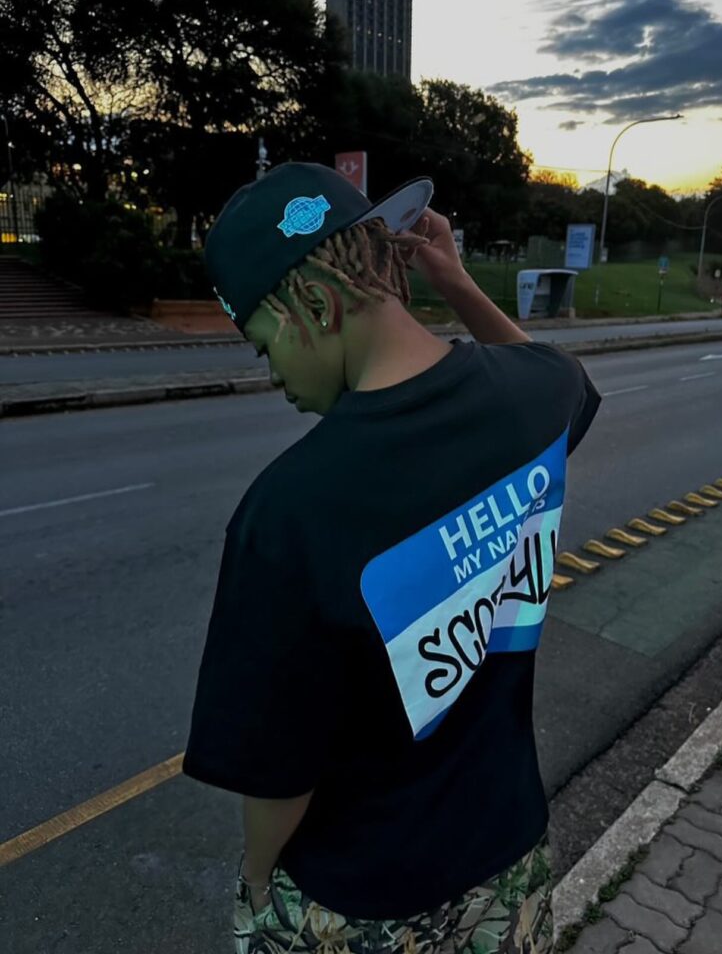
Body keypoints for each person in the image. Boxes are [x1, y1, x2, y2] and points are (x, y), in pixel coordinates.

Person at [182, 162, 601, 954]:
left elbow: (278, 774)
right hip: (509, 855)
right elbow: (560, 381)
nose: (273, 376)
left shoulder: (290, 509)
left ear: (314, 305)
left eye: (264, 345)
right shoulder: (532, 395)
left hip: (364, 898)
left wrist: (259, 879)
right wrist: (458, 284)